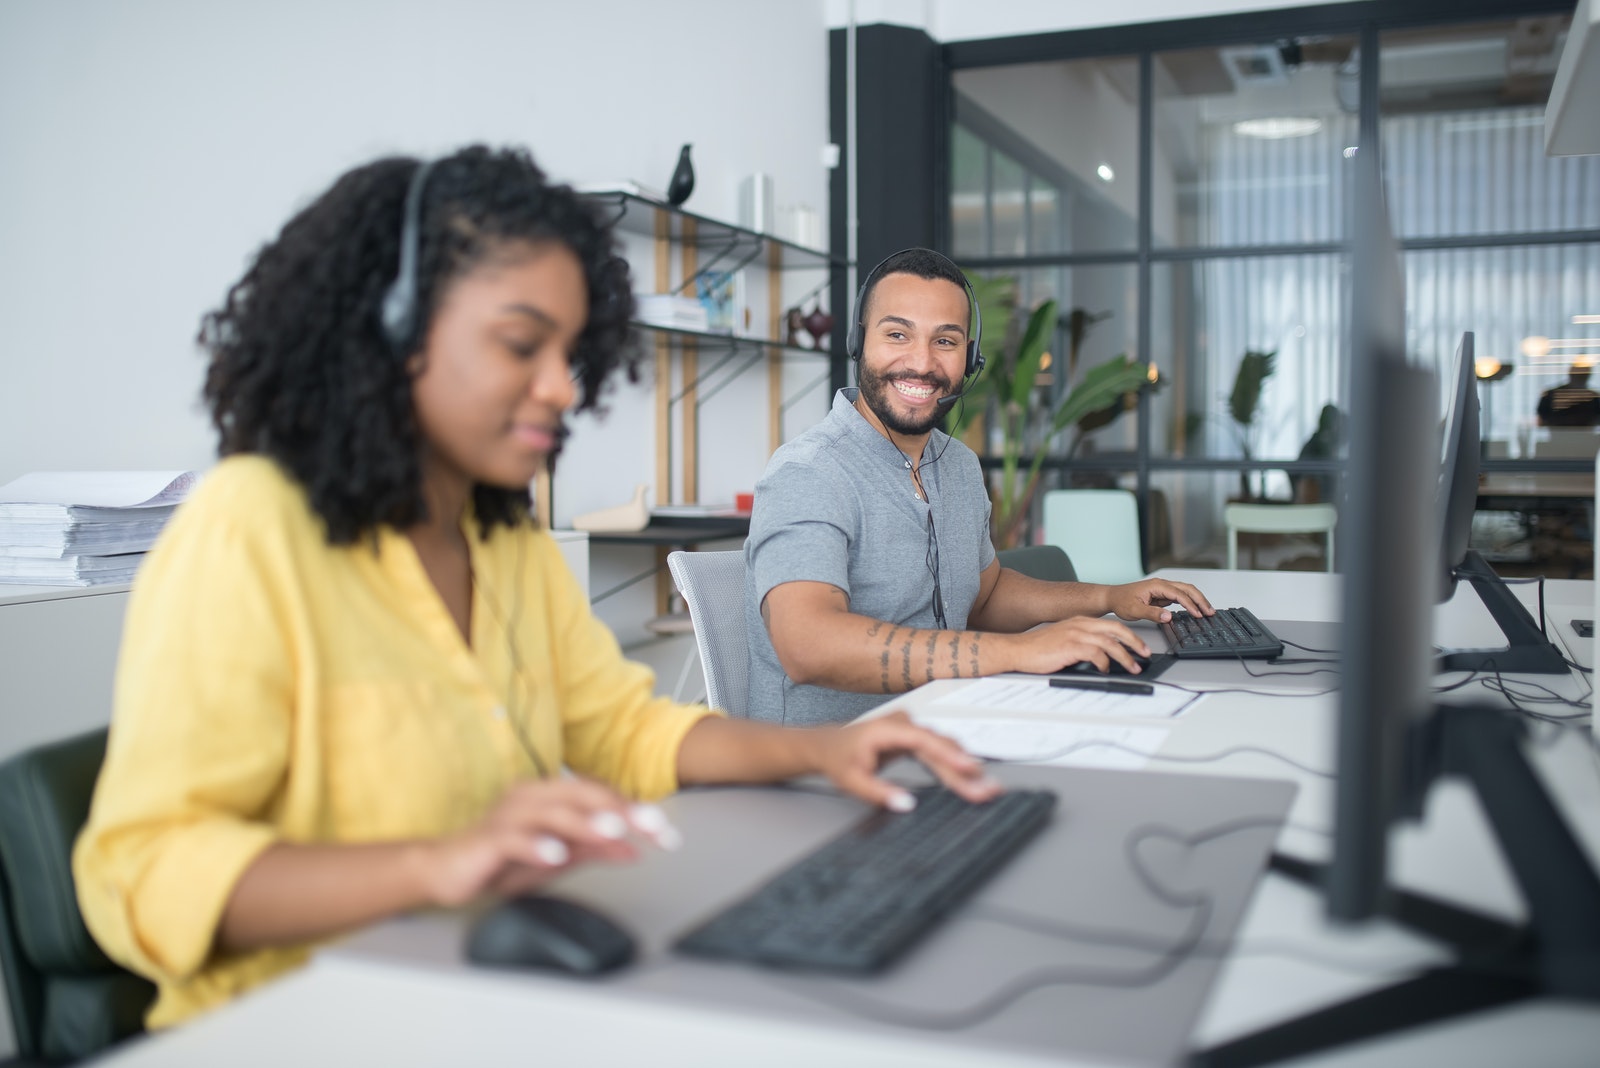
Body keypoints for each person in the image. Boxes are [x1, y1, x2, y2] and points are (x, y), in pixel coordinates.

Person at [72, 149, 996, 1030]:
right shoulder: (251, 529)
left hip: (481, 989)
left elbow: (623, 731)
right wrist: (435, 866)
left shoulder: (499, 537)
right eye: (523, 345)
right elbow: (143, 874)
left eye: (569, 349)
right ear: (395, 332)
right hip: (303, 1021)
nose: (563, 387)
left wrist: (824, 756)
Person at [744, 248, 1214, 726]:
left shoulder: (958, 466)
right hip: (826, 766)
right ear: (858, 342)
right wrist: (1016, 651)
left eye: (945, 341)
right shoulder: (809, 472)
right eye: (897, 334)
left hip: (946, 729)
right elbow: (807, 645)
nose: (921, 362)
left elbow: (986, 597)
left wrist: (1109, 599)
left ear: (969, 358)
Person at [1536, 362, 1600, 427]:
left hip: (1585, 436)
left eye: (1583, 375)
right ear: (1571, 373)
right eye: (1579, 375)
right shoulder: (1551, 395)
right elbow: (1542, 421)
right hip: (1559, 436)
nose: (1580, 377)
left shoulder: (1594, 398)